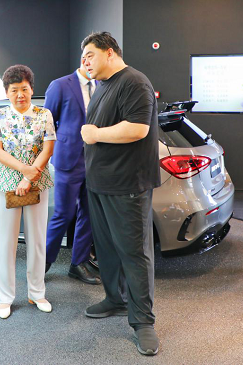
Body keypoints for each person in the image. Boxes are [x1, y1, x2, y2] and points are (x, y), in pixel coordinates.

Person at [80, 32, 161, 356]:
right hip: (100, 184)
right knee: (108, 250)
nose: (85, 61)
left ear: (110, 52)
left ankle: (143, 322)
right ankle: (115, 299)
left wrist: (95, 134)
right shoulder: (103, 86)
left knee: (135, 254)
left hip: (127, 185)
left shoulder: (134, 82)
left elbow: (138, 129)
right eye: (83, 57)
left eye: (90, 54)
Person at [0, 65, 55, 319]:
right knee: (6, 242)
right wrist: (23, 171)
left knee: (37, 240)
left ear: (31, 89)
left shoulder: (44, 114)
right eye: (14, 90)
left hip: (37, 181)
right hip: (7, 182)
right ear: (7, 92)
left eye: (24, 89)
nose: (20, 95)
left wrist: (29, 176)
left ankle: (37, 293)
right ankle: (5, 297)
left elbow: (48, 149)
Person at [44, 56, 100, 285]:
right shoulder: (60, 85)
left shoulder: (102, 85)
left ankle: (79, 263)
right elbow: (47, 123)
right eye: (90, 57)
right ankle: (43, 263)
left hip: (96, 160)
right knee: (63, 214)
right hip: (69, 160)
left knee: (89, 213)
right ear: (84, 59)